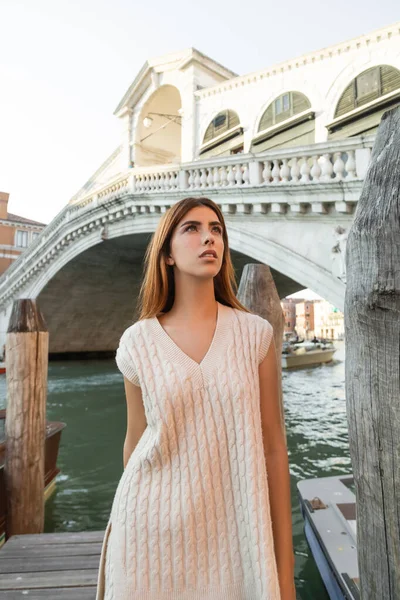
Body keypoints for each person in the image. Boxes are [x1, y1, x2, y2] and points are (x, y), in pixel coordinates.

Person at [96, 197, 296, 600]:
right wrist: (126, 518)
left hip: (237, 538)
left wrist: (285, 574)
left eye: (216, 229)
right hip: (147, 536)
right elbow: (135, 442)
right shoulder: (137, 343)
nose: (209, 238)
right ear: (167, 253)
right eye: (192, 228)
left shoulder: (254, 335)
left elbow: (274, 448)